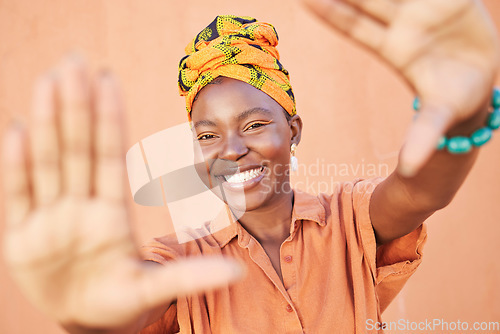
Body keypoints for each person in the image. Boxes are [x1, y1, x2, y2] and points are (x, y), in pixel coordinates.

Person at [1, 1, 499, 333]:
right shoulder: (180, 265)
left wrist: (464, 115)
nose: (231, 149)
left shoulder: (349, 219)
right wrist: (87, 313)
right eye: (207, 135)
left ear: (294, 129)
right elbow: (129, 302)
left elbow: (419, 192)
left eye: (255, 124)